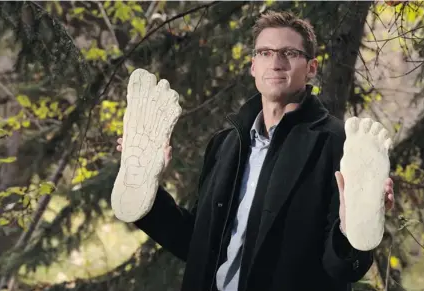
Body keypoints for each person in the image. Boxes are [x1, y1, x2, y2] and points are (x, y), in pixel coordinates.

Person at [116, 10, 395, 291]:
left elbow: (340, 268)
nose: (275, 62)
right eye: (265, 53)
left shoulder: (338, 144)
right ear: (252, 66)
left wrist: (348, 233)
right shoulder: (226, 144)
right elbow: (198, 244)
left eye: (289, 53)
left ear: (311, 68)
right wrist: (148, 194)